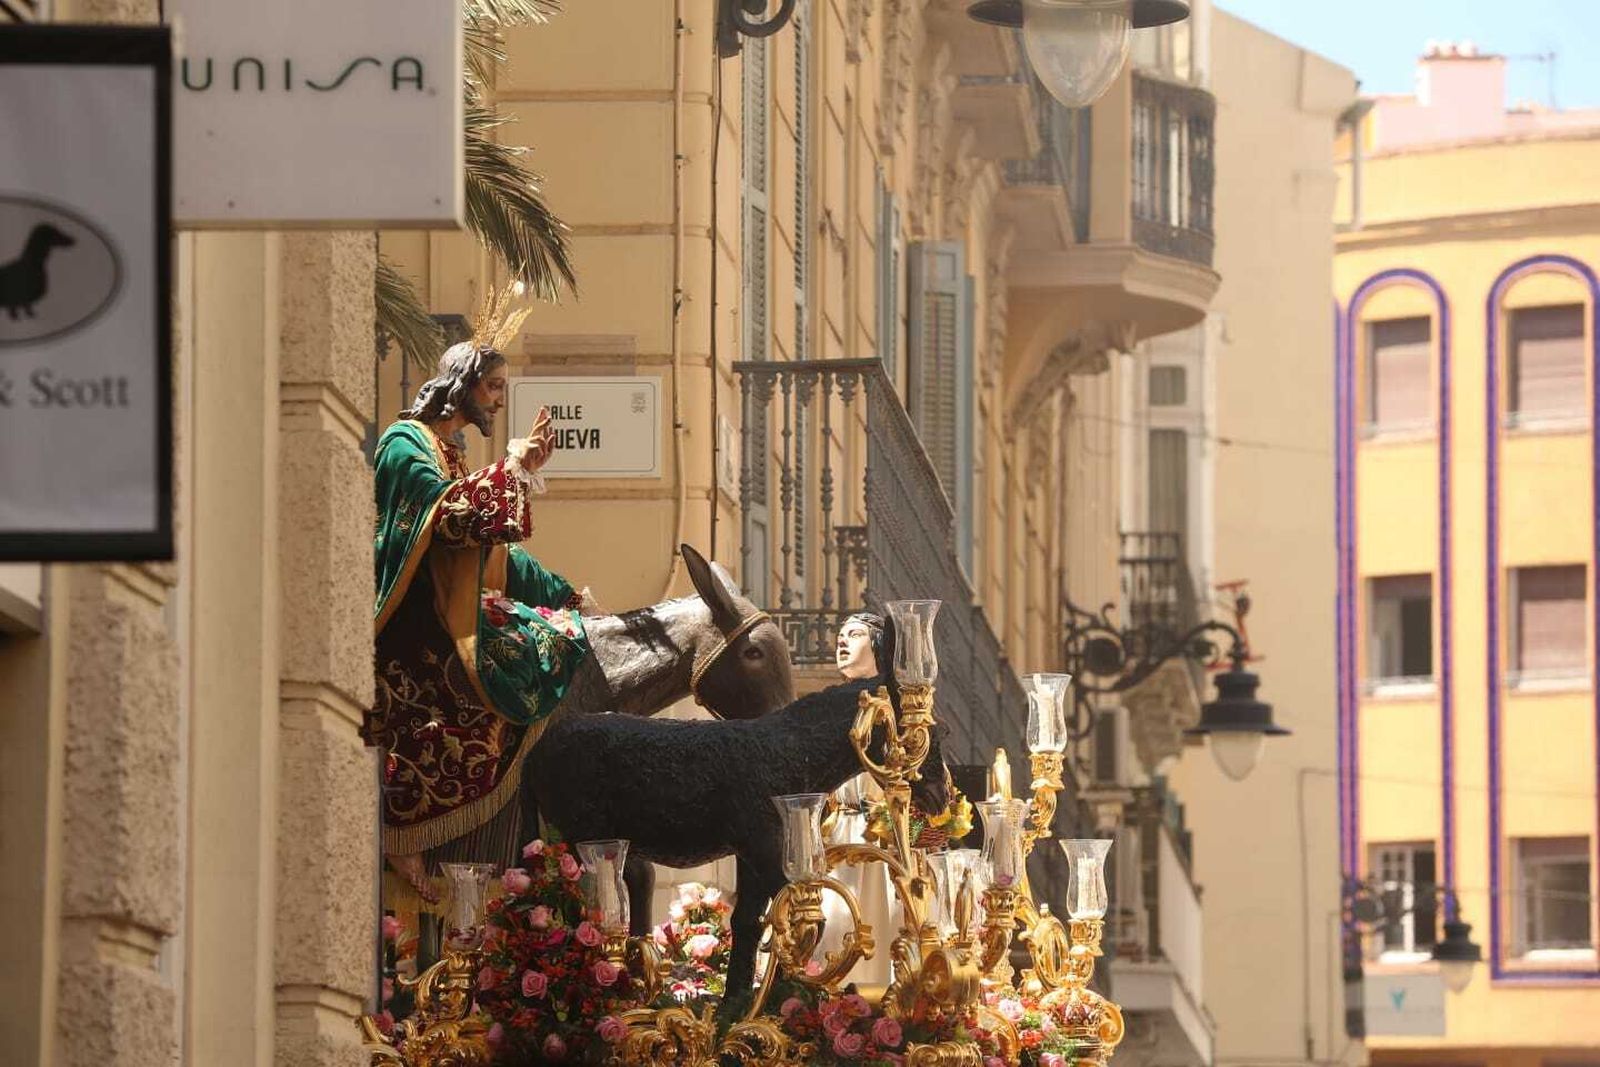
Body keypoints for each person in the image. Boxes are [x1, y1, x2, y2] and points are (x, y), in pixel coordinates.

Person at [365, 337, 591, 906]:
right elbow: (444, 516)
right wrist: (510, 469)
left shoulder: (452, 453)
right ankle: (401, 826)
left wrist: (564, 594)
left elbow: (494, 555)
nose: (498, 399)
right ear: (460, 385)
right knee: (499, 673)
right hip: (411, 621)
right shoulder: (404, 443)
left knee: (543, 642)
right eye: (492, 387)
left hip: (452, 610)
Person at [822, 612, 898, 989]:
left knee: (883, 921)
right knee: (831, 922)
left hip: (879, 836)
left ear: (878, 647)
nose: (842, 641)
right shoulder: (827, 706)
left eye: (854, 634)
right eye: (840, 635)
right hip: (836, 834)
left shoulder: (894, 707)